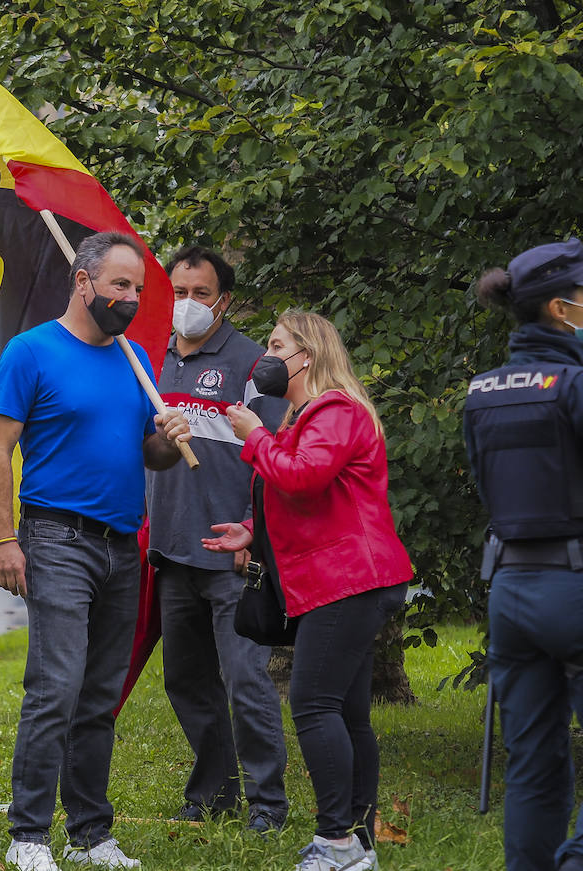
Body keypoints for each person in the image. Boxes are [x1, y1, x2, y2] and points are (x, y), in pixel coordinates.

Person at [0, 231, 190, 871]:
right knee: (57, 685)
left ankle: (92, 834)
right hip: (55, 538)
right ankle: (29, 835)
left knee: (101, 692)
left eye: (137, 289)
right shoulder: (31, 352)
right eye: (119, 285)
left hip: (122, 543)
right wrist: (3, 538)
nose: (130, 299)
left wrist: (166, 434)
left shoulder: (135, 359)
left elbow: (147, 453)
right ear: (82, 281)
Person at [463, 238, 583, 871]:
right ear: (559, 308)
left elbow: (487, 485)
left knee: (535, 763)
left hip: (511, 593)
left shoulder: (482, 391)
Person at [202, 310, 411, 871]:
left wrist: (254, 437)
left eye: (275, 345)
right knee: (346, 712)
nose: (264, 356)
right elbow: (304, 496)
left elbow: (301, 476)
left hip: (347, 580)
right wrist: (254, 531)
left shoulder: (334, 409)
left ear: (306, 357)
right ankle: (357, 841)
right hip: (344, 578)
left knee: (312, 704)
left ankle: (336, 843)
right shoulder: (309, 417)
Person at [146, 246, 288, 832]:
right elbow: (148, 454)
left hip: (235, 556)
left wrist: (258, 536)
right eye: (178, 292)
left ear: (223, 301)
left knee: (248, 681)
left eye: (200, 294)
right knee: (186, 682)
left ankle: (268, 806)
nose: (187, 305)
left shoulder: (253, 365)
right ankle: (214, 793)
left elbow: (278, 459)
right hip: (172, 550)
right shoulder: (149, 359)